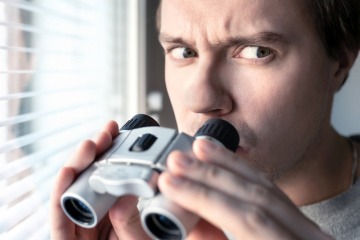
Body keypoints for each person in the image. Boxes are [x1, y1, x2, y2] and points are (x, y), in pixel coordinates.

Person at [50, 0, 360, 239]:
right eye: (184, 52)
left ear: (340, 62)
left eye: (256, 51)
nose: (200, 100)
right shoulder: (136, 218)